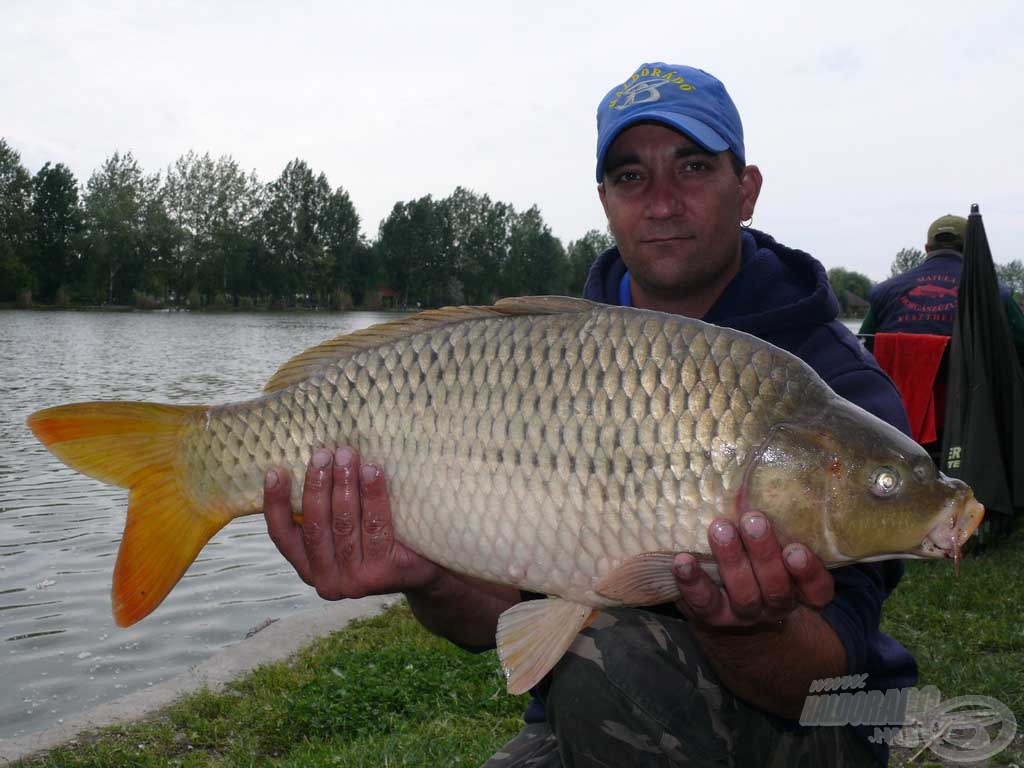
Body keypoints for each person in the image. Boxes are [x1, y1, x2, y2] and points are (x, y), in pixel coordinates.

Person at [263, 62, 915, 767]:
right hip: (592, 709)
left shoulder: (833, 389)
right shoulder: (550, 358)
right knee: (596, 658)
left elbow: (826, 678)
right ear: (605, 198)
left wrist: (745, 629)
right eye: (632, 177)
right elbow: (500, 614)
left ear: (746, 188)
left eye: (692, 167)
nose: (661, 202)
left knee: (607, 650)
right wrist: (427, 572)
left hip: (823, 722)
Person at [859, 213, 1024, 356]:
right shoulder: (997, 294)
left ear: (927, 248)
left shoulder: (884, 292)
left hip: (897, 391)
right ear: (971, 249)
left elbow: (863, 346)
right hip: (971, 392)